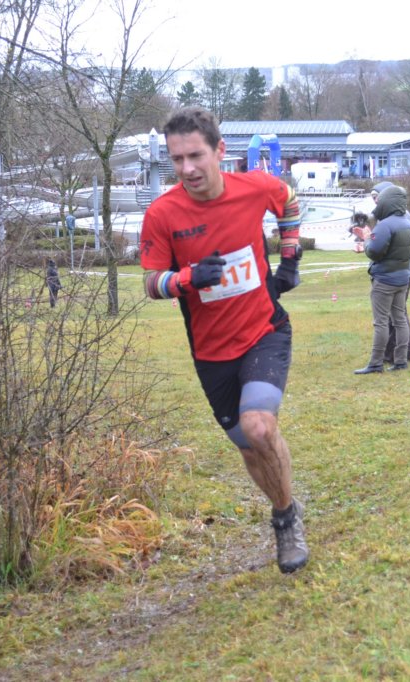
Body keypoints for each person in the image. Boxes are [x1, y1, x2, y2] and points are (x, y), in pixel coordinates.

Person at [139, 107, 309, 574]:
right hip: (212, 354)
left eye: (195, 155)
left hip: (263, 332)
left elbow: (288, 199)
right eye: (177, 159)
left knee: (260, 428)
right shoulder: (163, 214)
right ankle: (285, 503)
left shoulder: (252, 188)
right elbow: (151, 282)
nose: (187, 168)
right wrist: (187, 279)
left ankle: (285, 521)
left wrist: (290, 259)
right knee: (249, 448)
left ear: (220, 151)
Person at [352, 183, 410, 374]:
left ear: (387, 201)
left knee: (381, 322)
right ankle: (401, 360)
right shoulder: (407, 223)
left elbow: (374, 252)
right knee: (400, 320)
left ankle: (376, 363)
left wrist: (366, 238)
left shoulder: (385, 225)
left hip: (385, 280)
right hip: (402, 278)